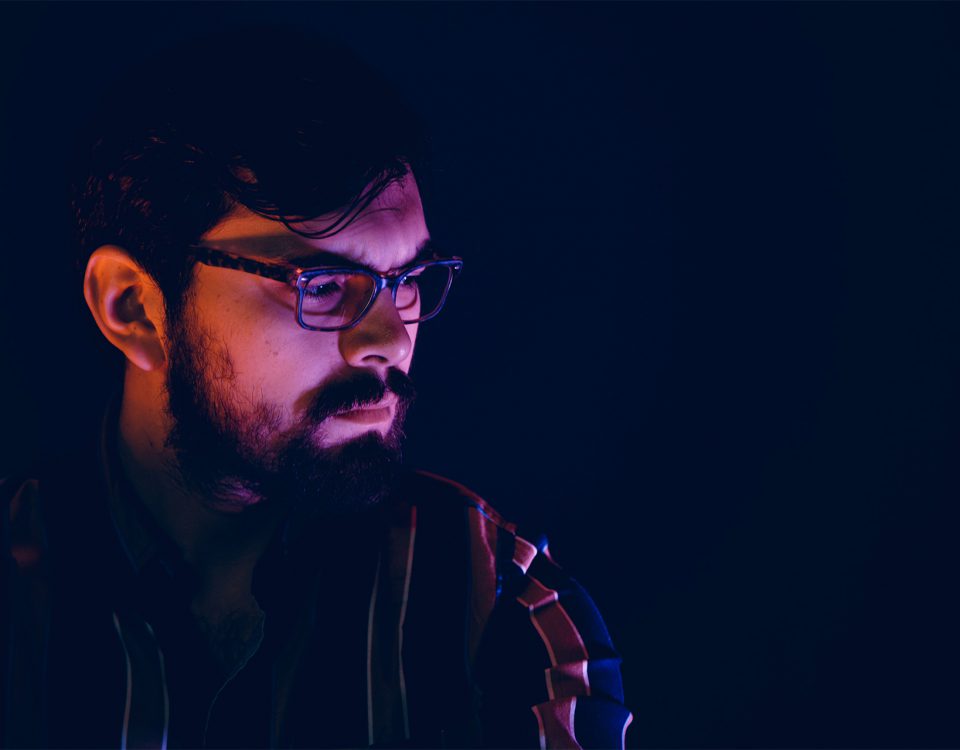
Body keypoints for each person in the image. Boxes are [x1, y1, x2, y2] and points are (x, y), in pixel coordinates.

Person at [0, 26, 631, 749]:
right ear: (134, 308)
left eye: (408, 281)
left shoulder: (496, 610)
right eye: (324, 285)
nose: (392, 339)